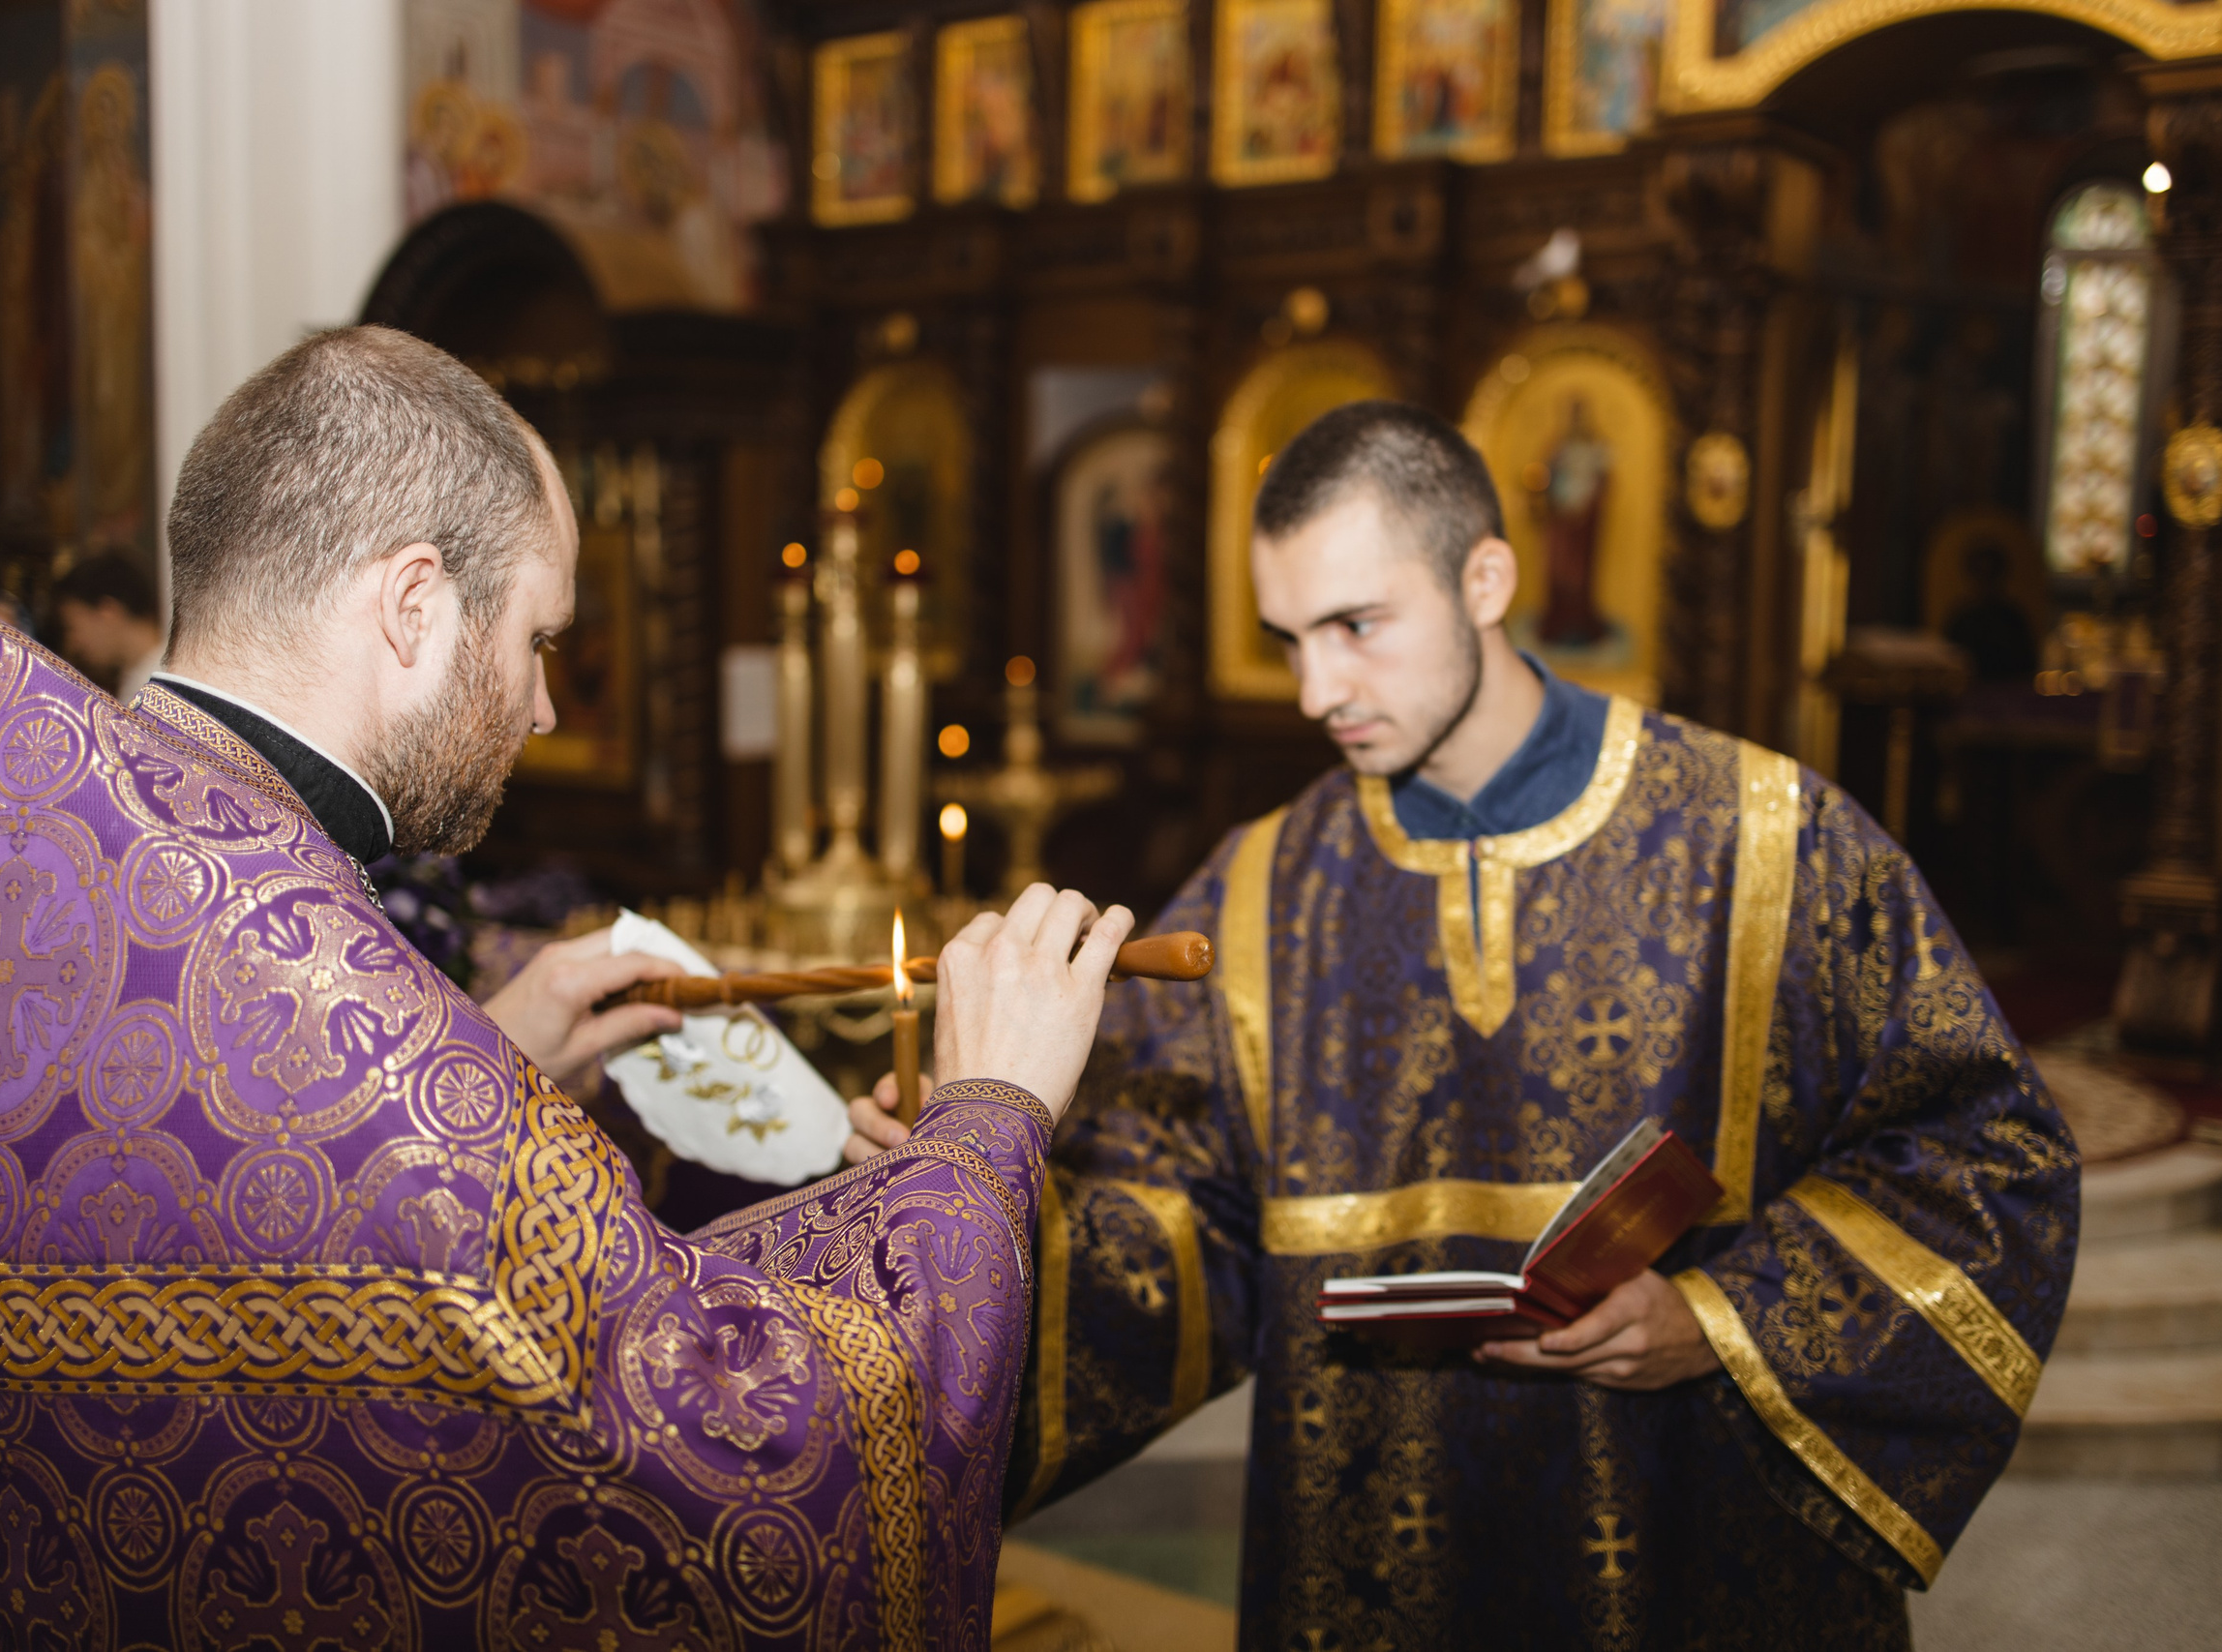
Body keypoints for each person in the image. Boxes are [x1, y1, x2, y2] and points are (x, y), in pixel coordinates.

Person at [0, 325, 1131, 1648]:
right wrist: (986, 1117)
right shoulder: (376, 1055)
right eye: (538, 638)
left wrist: (485, 1056)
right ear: (414, 605)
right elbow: (767, 1479)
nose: (543, 706)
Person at [850, 401, 2081, 1647]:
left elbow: (1981, 1152)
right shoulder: (1262, 886)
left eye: (1356, 627)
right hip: (1371, 1558)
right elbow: (1174, 1222)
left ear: (1484, 580)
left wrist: (1723, 1319)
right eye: (1289, 640)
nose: (1316, 690)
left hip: (1695, 1528)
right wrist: (977, 1185)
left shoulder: (1765, 841)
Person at [51, 549, 167, 699]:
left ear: (108, 612)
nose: (73, 643)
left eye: (72, 628)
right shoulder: (140, 676)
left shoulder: (161, 682)